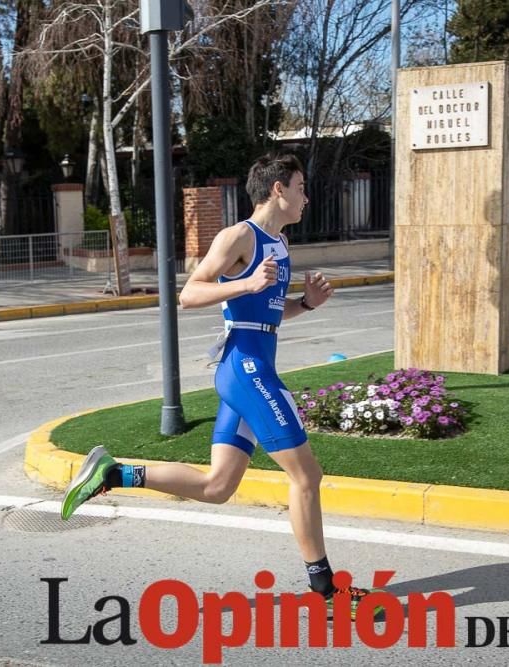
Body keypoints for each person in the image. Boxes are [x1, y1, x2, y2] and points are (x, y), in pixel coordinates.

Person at [59, 153, 375, 619]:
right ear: (277, 190)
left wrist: (305, 305)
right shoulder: (239, 236)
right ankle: (325, 592)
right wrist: (244, 284)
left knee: (218, 486)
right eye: (301, 186)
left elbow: (266, 313)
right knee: (306, 476)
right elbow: (190, 293)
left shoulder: (279, 245)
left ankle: (115, 474)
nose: (307, 196)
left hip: (252, 366)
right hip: (246, 371)